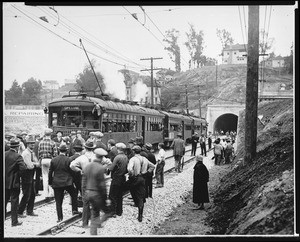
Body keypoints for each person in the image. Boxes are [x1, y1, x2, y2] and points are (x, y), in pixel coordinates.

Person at [84, 148, 111, 235]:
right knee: (108, 212)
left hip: (88, 193)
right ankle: (95, 224)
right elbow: (102, 186)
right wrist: (106, 199)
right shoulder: (100, 168)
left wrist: (85, 192)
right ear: (102, 158)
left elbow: (84, 181)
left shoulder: (87, 166)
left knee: (94, 212)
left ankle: (93, 234)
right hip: (96, 194)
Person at [49, 144, 79, 223]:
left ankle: (60, 217)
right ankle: (74, 210)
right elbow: (72, 172)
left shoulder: (53, 160)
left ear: (59, 150)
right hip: (67, 182)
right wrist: (74, 182)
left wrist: (50, 182)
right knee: (74, 195)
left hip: (57, 182)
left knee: (58, 201)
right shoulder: (69, 160)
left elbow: (50, 172)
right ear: (66, 151)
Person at [70, 141, 96, 228]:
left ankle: (85, 223)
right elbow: (108, 163)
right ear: (93, 149)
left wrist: (80, 170)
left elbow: (72, 165)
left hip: (85, 179)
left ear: (85, 148)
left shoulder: (82, 157)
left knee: (86, 202)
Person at [126, 145, 155, 222]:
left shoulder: (133, 159)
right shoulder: (144, 159)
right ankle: (140, 216)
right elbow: (152, 166)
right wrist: (147, 172)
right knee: (141, 196)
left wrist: (132, 175)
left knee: (132, 191)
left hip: (135, 178)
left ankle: (136, 202)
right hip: (143, 178)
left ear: (133, 151)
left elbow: (129, 169)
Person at [5, 139, 27, 226]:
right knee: (14, 202)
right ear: (17, 147)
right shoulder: (18, 156)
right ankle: (14, 221)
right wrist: (19, 176)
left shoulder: (4, 154)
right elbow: (23, 168)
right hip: (14, 182)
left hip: (4, 182)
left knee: (4, 201)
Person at [18, 135, 40, 217]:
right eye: (31, 144)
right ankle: (20, 211)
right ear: (27, 144)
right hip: (26, 175)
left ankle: (29, 210)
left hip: (31, 175)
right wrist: (34, 164)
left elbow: (37, 164)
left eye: (33, 143)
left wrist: (34, 164)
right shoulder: (26, 153)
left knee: (32, 194)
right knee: (27, 194)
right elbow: (30, 166)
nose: (33, 145)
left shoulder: (32, 152)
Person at [107, 143, 129, 217]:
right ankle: (119, 211)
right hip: (123, 178)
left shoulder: (117, 157)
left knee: (112, 195)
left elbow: (111, 168)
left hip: (116, 178)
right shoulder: (125, 157)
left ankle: (112, 212)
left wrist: (107, 167)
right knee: (120, 195)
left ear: (118, 149)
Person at [38, 128, 57, 199]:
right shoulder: (52, 142)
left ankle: (45, 193)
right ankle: (51, 193)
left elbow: (39, 153)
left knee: (45, 177)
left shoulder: (41, 142)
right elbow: (55, 154)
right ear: (50, 135)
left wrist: (40, 161)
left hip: (43, 160)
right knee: (51, 176)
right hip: (50, 160)